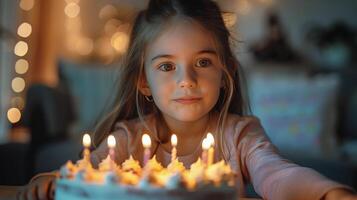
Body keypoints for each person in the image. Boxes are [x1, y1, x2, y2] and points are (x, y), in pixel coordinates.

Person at [19, 0, 356, 199]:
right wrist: (52, 181)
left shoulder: (240, 136)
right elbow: (86, 170)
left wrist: (325, 193)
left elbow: (277, 174)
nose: (187, 80)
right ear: (143, 81)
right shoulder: (129, 139)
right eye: (167, 66)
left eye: (203, 62)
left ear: (224, 73)